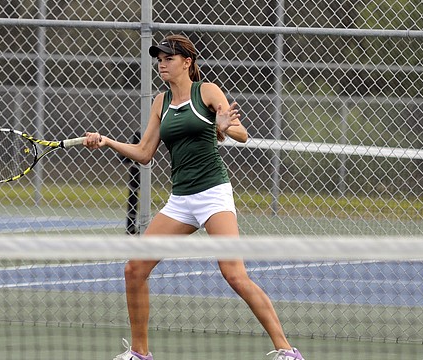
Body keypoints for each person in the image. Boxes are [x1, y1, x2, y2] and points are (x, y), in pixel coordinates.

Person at [83, 34, 305, 360]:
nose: (161, 63)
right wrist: (107, 141)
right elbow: (145, 153)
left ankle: (287, 352)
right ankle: (140, 354)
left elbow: (242, 135)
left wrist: (224, 126)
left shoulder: (207, 91)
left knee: (234, 274)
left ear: (186, 62)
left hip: (213, 194)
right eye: (159, 58)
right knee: (134, 270)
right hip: (181, 200)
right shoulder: (160, 102)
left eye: (168, 58)